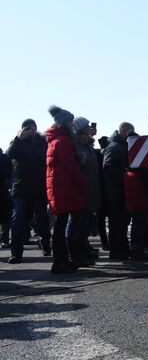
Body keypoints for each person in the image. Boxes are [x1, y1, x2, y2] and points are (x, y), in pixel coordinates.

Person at [45, 106, 87, 274]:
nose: (72, 125)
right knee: (61, 226)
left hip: (59, 186)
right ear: (64, 123)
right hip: (64, 187)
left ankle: (62, 259)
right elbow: (70, 166)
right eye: (70, 121)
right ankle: (59, 261)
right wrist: (82, 183)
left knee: (61, 225)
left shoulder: (54, 140)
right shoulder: (63, 141)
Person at [6, 119, 51, 263]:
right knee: (18, 220)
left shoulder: (42, 142)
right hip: (21, 188)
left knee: (42, 219)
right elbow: (10, 154)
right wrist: (18, 138)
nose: (30, 130)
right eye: (27, 128)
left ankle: (45, 245)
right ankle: (16, 253)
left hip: (38, 187)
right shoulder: (18, 143)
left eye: (32, 128)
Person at [71, 117, 101, 265]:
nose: (90, 127)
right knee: (77, 224)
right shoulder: (77, 145)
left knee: (85, 224)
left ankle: (83, 251)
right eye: (87, 126)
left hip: (90, 190)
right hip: (82, 191)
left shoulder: (87, 145)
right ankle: (77, 255)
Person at [102, 122, 134, 260]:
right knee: (117, 222)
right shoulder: (115, 147)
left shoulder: (117, 145)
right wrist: (125, 175)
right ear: (123, 131)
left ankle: (121, 249)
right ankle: (117, 250)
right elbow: (109, 168)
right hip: (116, 191)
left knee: (121, 221)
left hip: (117, 190)